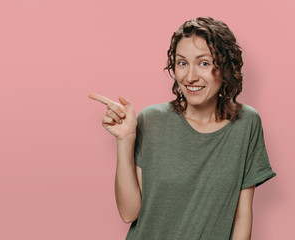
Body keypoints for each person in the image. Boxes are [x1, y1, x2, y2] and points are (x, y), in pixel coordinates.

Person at [88, 16, 277, 240]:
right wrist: (125, 140)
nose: (190, 77)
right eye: (182, 63)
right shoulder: (151, 120)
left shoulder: (246, 123)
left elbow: (242, 215)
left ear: (225, 67)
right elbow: (129, 213)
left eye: (204, 63)